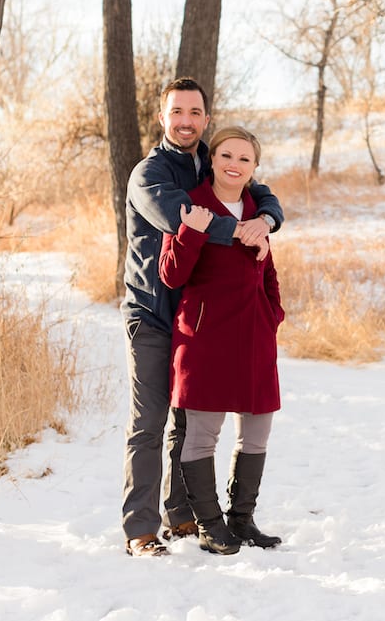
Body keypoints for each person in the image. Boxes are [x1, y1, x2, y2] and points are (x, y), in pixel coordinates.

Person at [121, 79, 283, 558]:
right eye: (177, 112)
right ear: (162, 116)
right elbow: (186, 216)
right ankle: (140, 530)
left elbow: (260, 190)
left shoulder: (211, 158)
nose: (185, 120)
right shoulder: (148, 173)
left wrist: (268, 217)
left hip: (197, 320)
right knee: (149, 423)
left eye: (194, 112)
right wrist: (248, 228)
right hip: (153, 311)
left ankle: (184, 515)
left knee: (186, 425)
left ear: (205, 119)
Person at [158, 126, 284, 556]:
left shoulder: (258, 211)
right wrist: (191, 231)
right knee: (202, 437)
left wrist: (272, 318)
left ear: (254, 168)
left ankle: (242, 521)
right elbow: (171, 274)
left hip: (254, 338)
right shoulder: (191, 204)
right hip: (205, 339)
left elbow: (269, 274)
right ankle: (211, 525)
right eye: (227, 155)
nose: (234, 164)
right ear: (212, 159)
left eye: (244, 159)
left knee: (257, 434)